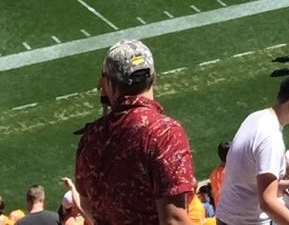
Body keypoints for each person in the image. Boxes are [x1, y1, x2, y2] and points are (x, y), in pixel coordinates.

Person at [72, 39, 198, 225]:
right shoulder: (164, 133)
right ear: (154, 77)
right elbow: (174, 221)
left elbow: (87, 205)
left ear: (109, 86)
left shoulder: (90, 136)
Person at [218, 77, 289, 225]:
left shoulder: (255, 117)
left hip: (227, 217)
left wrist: (280, 185)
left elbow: (245, 178)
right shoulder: (271, 138)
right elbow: (267, 202)